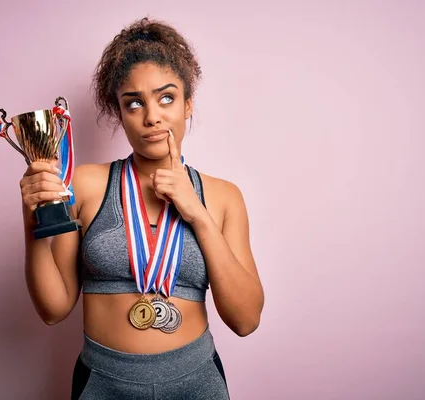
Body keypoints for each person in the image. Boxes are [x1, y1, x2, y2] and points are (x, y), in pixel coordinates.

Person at [19, 16, 264, 400]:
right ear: (119, 112)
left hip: (196, 382)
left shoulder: (222, 196)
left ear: (188, 105)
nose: (152, 116)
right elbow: (54, 308)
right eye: (134, 103)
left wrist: (196, 212)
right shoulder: (85, 185)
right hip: (103, 382)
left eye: (167, 97)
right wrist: (33, 221)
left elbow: (246, 319)